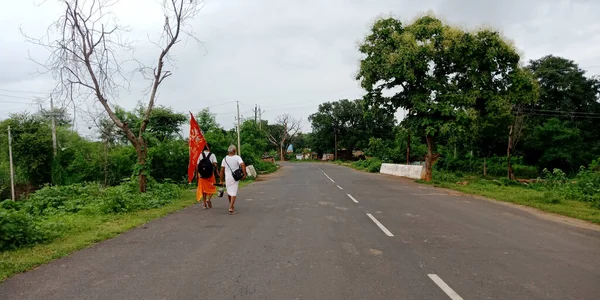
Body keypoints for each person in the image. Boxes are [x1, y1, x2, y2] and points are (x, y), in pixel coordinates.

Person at [219, 145, 247, 215]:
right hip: (235, 177)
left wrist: (221, 180)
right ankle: (231, 208)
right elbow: (243, 165)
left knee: (229, 191)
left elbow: (222, 170)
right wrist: (244, 174)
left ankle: (231, 205)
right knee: (233, 192)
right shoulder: (237, 157)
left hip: (227, 177)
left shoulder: (224, 159)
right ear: (234, 151)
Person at [196, 143, 218, 209]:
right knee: (213, 187)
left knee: (203, 189)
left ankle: (205, 204)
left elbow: (197, 166)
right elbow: (215, 164)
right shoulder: (212, 155)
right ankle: (209, 199)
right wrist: (217, 171)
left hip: (202, 175)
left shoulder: (200, 155)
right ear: (209, 148)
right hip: (210, 175)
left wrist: (196, 174)